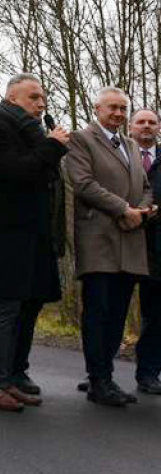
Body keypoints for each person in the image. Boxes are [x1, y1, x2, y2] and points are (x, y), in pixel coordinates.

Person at [0, 73, 69, 412]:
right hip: (4, 238)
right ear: (13, 99)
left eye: (42, 98)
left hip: (32, 237)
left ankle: (12, 377)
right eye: (33, 98)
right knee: (6, 308)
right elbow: (19, 173)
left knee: (29, 305)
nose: (41, 104)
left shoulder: (31, 135)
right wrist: (53, 146)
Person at [65, 87, 153, 407]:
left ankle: (105, 376)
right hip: (99, 240)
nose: (118, 113)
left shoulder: (130, 144)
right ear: (97, 108)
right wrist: (123, 209)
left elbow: (144, 188)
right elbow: (84, 184)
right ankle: (98, 379)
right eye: (112, 107)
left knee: (117, 313)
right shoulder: (81, 139)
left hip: (130, 240)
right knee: (98, 311)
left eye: (122, 108)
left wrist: (142, 211)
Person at [128, 109, 161, 395]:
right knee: (109, 311)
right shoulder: (120, 154)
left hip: (158, 249)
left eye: (152, 122)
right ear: (131, 126)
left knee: (156, 315)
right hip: (121, 242)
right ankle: (99, 375)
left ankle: (149, 373)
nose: (146, 126)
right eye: (141, 121)